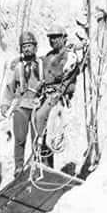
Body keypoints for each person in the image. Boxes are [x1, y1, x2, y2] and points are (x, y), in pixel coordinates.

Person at [0, 31, 53, 174]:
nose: (27, 49)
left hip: (38, 106)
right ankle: (19, 167)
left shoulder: (42, 64)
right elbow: (9, 87)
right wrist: (5, 104)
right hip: (21, 106)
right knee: (20, 138)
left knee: (39, 138)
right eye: (24, 46)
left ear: (35, 47)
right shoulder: (17, 66)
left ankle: (39, 164)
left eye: (29, 46)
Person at [32, 23, 79, 168]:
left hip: (58, 95)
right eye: (51, 38)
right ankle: (43, 161)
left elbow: (63, 75)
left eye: (56, 37)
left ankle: (43, 158)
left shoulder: (69, 55)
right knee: (35, 120)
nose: (53, 40)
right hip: (46, 94)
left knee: (40, 117)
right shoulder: (48, 56)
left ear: (64, 38)